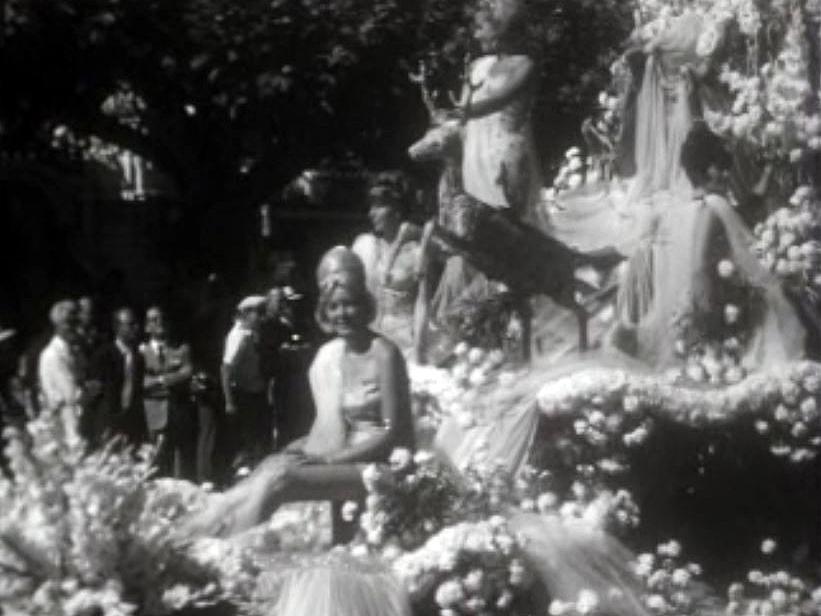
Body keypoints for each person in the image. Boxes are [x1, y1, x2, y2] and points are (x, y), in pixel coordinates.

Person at [181, 246, 414, 538]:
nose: (342, 313)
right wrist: (302, 445)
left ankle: (227, 548)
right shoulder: (337, 355)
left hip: (379, 464)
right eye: (334, 307)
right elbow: (339, 424)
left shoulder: (384, 353)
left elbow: (391, 434)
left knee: (282, 479)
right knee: (270, 465)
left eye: (350, 304)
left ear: (365, 305)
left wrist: (329, 460)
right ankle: (200, 533)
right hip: (345, 455)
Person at [610, 124, 806, 369]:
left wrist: (767, 173)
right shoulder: (711, 206)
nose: (725, 174)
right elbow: (699, 264)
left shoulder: (690, 205)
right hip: (713, 300)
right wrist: (707, 314)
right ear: (704, 170)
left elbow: (744, 211)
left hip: (716, 292)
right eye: (719, 168)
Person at [352, 171, 422, 354]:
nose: (371, 213)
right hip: (370, 342)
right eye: (371, 207)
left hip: (406, 345)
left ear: (397, 209)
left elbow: (426, 303)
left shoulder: (417, 251)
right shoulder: (364, 246)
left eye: (379, 207)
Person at [140, 306, 194, 477]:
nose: (159, 322)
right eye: (153, 320)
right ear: (146, 326)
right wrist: (166, 380)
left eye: (162, 318)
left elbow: (187, 372)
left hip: (177, 410)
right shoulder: (140, 352)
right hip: (152, 413)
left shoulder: (181, 349)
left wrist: (162, 380)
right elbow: (140, 382)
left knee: (180, 460)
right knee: (152, 458)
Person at [38, 300, 98, 439]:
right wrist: (92, 389)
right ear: (58, 325)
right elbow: (72, 394)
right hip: (66, 426)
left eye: (77, 323)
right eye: (70, 323)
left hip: (82, 422)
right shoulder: (52, 354)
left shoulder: (74, 351)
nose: (76, 328)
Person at [221, 295, 269, 470]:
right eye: (258, 313)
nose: (261, 318)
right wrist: (229, 401)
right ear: (247, 314)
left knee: (258, 438)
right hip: (244, 393)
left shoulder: (252, 334)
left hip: (256, 391)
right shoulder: (238, 337)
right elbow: (226, 369)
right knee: (247, 440)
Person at [87, 308, 146, 447]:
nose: (136, 328)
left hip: (131, 423)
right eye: (130, 324)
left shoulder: (138, 357)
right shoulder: (102, 355)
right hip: (108, 423)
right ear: (117, 327)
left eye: (136, 324)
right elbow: (93, 394)